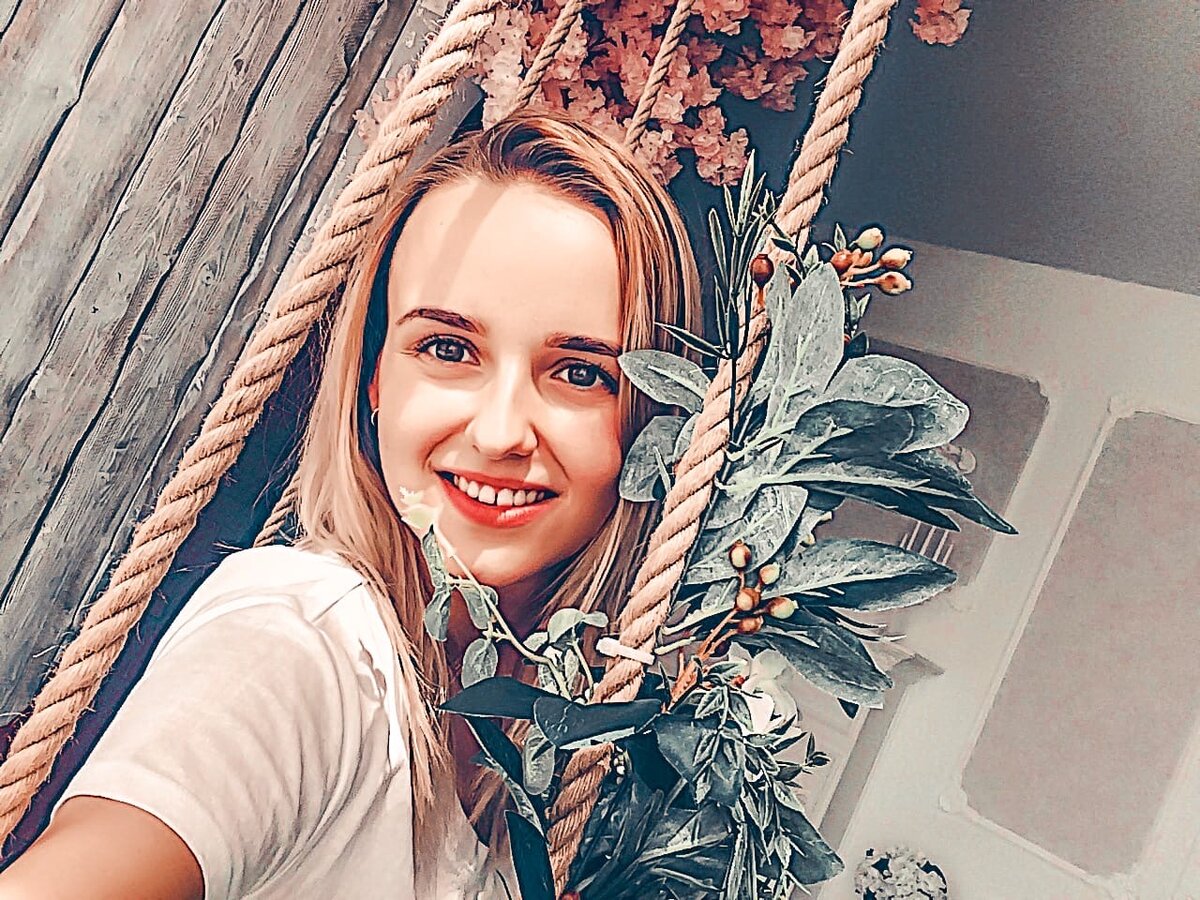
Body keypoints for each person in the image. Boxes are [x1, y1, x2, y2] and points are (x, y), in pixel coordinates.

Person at [0, 112, 703, 898]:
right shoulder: (302, 644)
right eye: (447, 349)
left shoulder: (561, 764)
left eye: (579, 373)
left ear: (659, 420)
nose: (501, 432)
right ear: (374, 377)